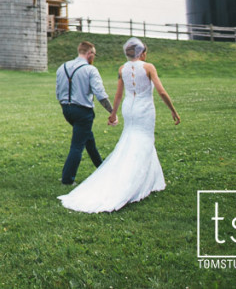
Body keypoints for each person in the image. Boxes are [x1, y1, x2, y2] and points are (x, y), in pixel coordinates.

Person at [58, 37, 181, 213]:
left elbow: (118, 95)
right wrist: (173, 110)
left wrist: (114, 113)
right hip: (144, 109)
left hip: (129, 109)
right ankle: (132, 182)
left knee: (133, 141)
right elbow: (161, 91)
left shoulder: (122, 69)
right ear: (142, 53)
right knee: (143, 142)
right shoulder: (149, 67)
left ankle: (153, 180)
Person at [56, 41, 114, 186]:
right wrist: (112, 112)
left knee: (88, 140)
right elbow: (100, 94)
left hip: (66, 109)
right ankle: (67, 180)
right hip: (83, 111)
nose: (94, 57)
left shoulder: (62, 67)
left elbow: (58, 91)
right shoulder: (90, 70)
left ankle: (101, 168)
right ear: (89, 54)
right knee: (77, 146)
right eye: (94, 54)